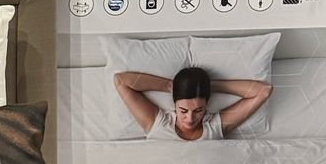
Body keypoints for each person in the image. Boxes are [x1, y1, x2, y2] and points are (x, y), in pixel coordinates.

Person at [112, 62, 272, 141]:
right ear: (174, 104)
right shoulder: (158, 123)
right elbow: (121, 81)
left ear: (206, 105)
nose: (190, 118)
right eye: (183, 110)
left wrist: (209, 86)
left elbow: (263, 91)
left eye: (198, 111)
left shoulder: (215, 126)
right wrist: (169, 85)